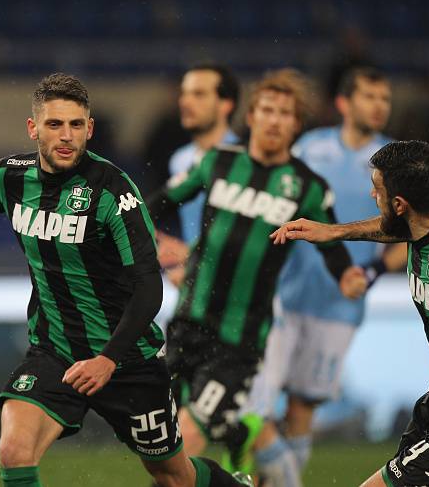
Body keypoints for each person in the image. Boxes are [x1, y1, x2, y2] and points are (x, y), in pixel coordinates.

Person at [0, 73, 253, 487]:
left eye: (76, 125)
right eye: (54, 124)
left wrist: (109, 359)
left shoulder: (113, 192)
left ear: (89, 129)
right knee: (13, 451)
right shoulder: (8, 176)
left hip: (127, 359)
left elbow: (149, 285)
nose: (66, 136)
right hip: (55, 351)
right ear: (33, 128)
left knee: (175, 477)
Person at [147, 69, 367, 479]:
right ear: (251, 117)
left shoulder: (307, 187)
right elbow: (151, 206)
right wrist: (155, 245)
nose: (274, 119)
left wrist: (348, 278)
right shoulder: (216, 162)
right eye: (267, 109)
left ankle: (236, 437)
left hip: (239, 341)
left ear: (296, 125)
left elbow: (333, 248)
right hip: (187, 325)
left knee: (187, 440)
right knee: (160, 443)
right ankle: (237, 436)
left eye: (285, 113)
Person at [271, 140, 429, 487]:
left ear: (399, 204)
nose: (370, 195)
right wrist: (332, 231)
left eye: (376, 190)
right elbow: (393, 228)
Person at [244, 67, 406, 485]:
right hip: (283, 296)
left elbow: (410, 236)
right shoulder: (311, 148)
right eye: (370, 96)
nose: (379, 106)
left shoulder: (397, 162)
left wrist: (369, 272)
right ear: (344, 103)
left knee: (302, 409)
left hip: (340, 307)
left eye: (384, 99)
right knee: (251, 408)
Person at [156, 63, 240, 293]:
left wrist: (194, 258)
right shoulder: (180, 160)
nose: (185, 101)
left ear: (226, 104)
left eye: (199, 94)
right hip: (196, 282)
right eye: (184, 93)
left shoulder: (245, 162)